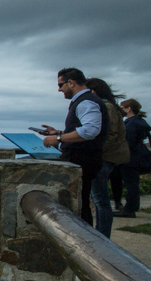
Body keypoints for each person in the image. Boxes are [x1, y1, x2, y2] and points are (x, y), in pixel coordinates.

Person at [42, 68, 107, 226]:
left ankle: (87, 245)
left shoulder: (86, 102)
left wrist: (59, 138)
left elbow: (91, 130)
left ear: (70, 83)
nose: (59, 90)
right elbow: (84, 129)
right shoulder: (85, 100)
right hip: (84, 159)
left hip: (82, 160)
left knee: (79, 206)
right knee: (80, 204)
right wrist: (59, 132)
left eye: (60, 85)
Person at [85, 78, 129, 237]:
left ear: (93, 92)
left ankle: (102, 237)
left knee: (100, 201)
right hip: (109, 158)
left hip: (104, 158)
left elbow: (110, 134)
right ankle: (102, 235)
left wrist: (95, 151)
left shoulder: (107, 108)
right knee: (100, 200)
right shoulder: (112, 107)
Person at [117, 98, 151, 218]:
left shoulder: (132, 124)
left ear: (129, 109)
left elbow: (129, 142)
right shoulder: (139, 122)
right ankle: (132, 207)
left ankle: (130, 209)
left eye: (122, 108)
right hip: (137, 156)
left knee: (131, 184)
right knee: (133, 183)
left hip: (131, 158)